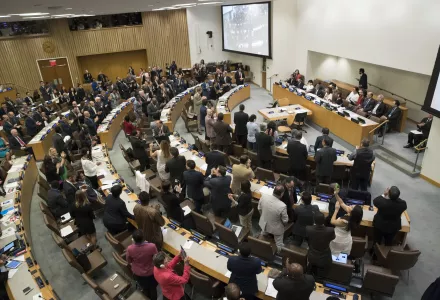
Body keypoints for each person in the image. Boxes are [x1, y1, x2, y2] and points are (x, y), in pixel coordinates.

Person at [126, 230, 158, 299]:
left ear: (133, 239)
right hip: (151, 272)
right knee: (153, 288)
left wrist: (132, 245)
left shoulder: (130, 248)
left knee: (145, 288)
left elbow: (129, 260)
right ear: (143, 238)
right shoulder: (152, 246)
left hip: (139, 274)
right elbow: (156, 259)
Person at [258, 185, 288, 252]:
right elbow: (285, 220)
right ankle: (278, 253)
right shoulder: (282, 206)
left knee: (263, 233)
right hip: (276, 229)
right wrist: (283, 225)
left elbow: (259, 209)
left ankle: (260, 246)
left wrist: (263, 217)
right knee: (279, 243)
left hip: (264, 223)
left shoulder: (263, 197)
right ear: (282, 194)